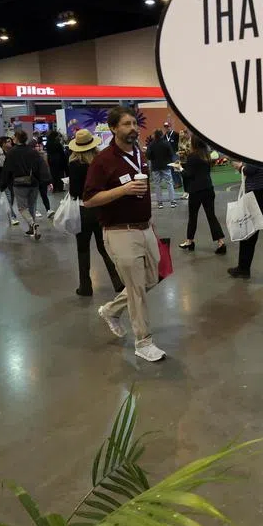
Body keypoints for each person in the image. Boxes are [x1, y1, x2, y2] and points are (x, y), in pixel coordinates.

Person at [82, 106, 166, 363]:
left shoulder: (139, 153)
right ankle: (143, 342)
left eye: (134, 123)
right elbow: (89, 200)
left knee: (153, 278)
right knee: (137, 289)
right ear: (114, 128)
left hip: (145, 228)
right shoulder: (102, 161)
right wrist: (124, 190)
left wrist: (150, 222)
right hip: (120, 232)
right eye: (126, 124)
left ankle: (110, 309)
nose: (132, 128)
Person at [68, 129, 125, 297]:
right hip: (101, 207)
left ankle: (85, 287)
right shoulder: (100, 161)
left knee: (83, 249)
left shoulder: (73, 164)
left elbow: (74, 191)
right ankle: (118, 282)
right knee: (105, 247)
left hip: (83, 209)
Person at [0, 129, 51, 241]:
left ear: (17, 139)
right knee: (32, 205)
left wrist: (3, 184)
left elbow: (7, 169)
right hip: (34, 183)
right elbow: (41, 166)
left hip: (19, 183)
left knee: (22, 207)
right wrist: (46, 180)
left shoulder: (12, 152)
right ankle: (31, 228)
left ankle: (32, 224)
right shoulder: (32, 151)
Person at [178, 136, 227, 254]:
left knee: (193, 217)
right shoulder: (207, 155)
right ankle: (221, 242)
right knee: (211, 216)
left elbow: (188, 174)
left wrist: (180, 168)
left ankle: (190, 241)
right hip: (208, 188)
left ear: (194, 143)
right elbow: (198, 169)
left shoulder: (192, 156)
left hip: (196, 191)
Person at [148, 129, 178, 208]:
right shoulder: (166, 143)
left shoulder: (151, 144)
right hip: (166, 166)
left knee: (157, 185)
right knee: (169, 183)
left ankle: (160, 203)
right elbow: (171, 154)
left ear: (155, 135)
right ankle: (173, 202)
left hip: (155, 167)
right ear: (161, 135)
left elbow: (148, 156)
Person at [0, 137, 19, 226]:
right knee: (9, 197)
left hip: (11, 179)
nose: (10, 143)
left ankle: (10, 213)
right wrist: (0, 178)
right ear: (3, 144)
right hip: (3, 181)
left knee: (12, 198)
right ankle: (13, 216)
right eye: (8, 142)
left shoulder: (10, 153)